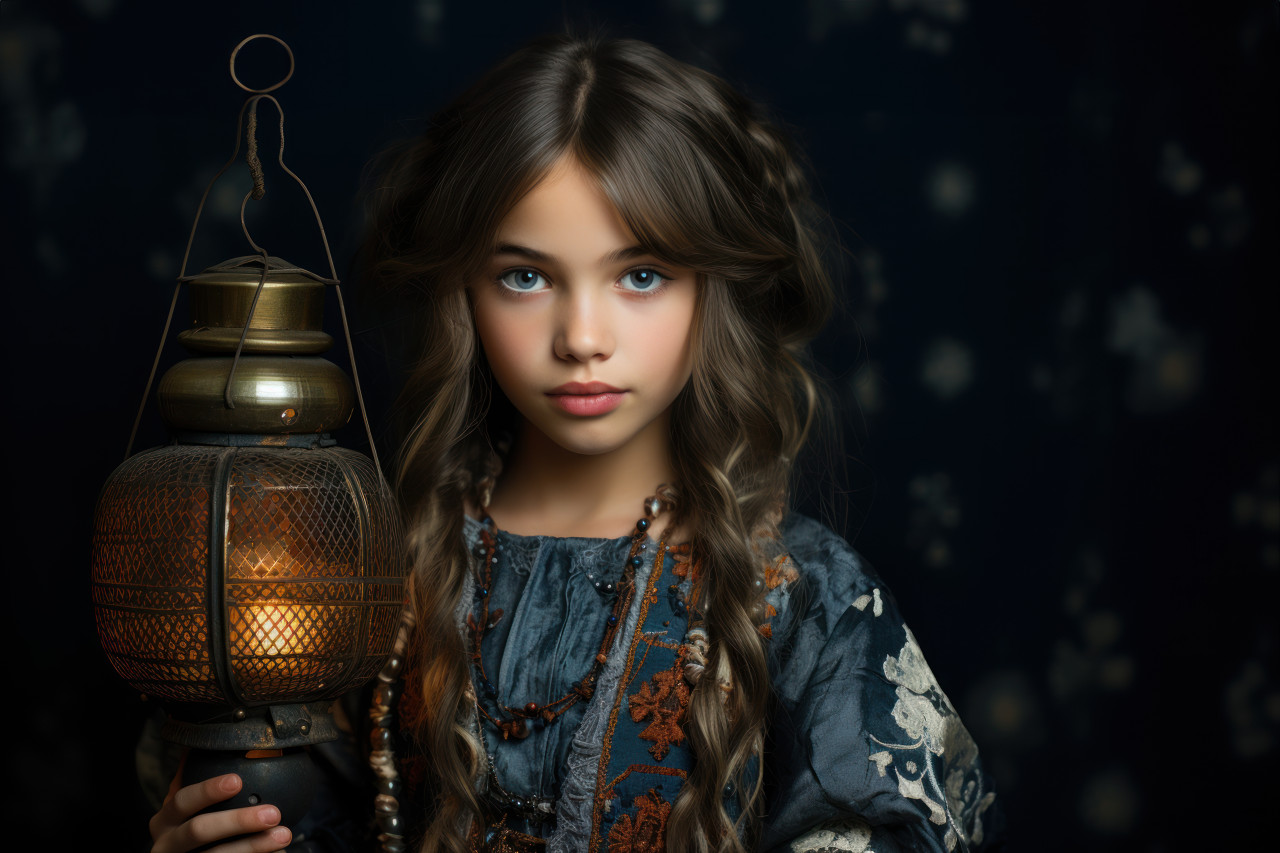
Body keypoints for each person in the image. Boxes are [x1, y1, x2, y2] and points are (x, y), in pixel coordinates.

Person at [146, 34, 1003, 853]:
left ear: (714, 289)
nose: (582, 336)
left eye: (641, 275)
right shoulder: (374, 581)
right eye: (525, 276)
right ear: (464, 295)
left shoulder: (796, 591)